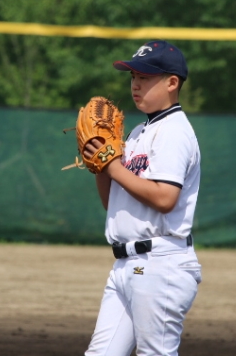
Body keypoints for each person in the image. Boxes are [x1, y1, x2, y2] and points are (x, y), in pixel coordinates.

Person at [83, 40, 202, 356]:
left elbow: (165, 198)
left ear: (172, 82)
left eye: (145, 77)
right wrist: (99, 167)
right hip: (126, 265)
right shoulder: (137, 133)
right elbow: (112, 203)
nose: (135, 84)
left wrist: (112, 166)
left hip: (159, 264)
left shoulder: (173, 131)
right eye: (133, 76)